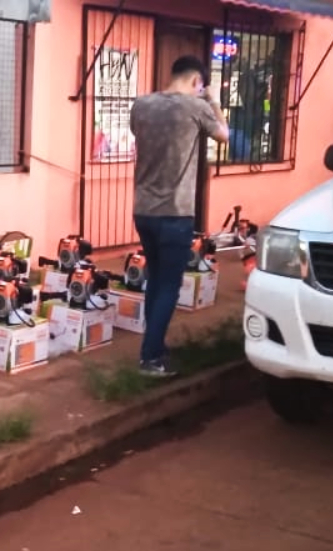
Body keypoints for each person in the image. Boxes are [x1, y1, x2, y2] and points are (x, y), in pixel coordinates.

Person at [128, 55, 230, 378]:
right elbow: (224, 135)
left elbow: (139, 134)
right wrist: (213, 101)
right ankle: (151, 358)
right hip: (175, 213)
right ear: (197, 81)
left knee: (156, 279)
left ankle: (154, 346)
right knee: (169, 285)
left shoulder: (141, 105)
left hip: (143, 210)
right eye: (202, 86)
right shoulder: (195, 107)